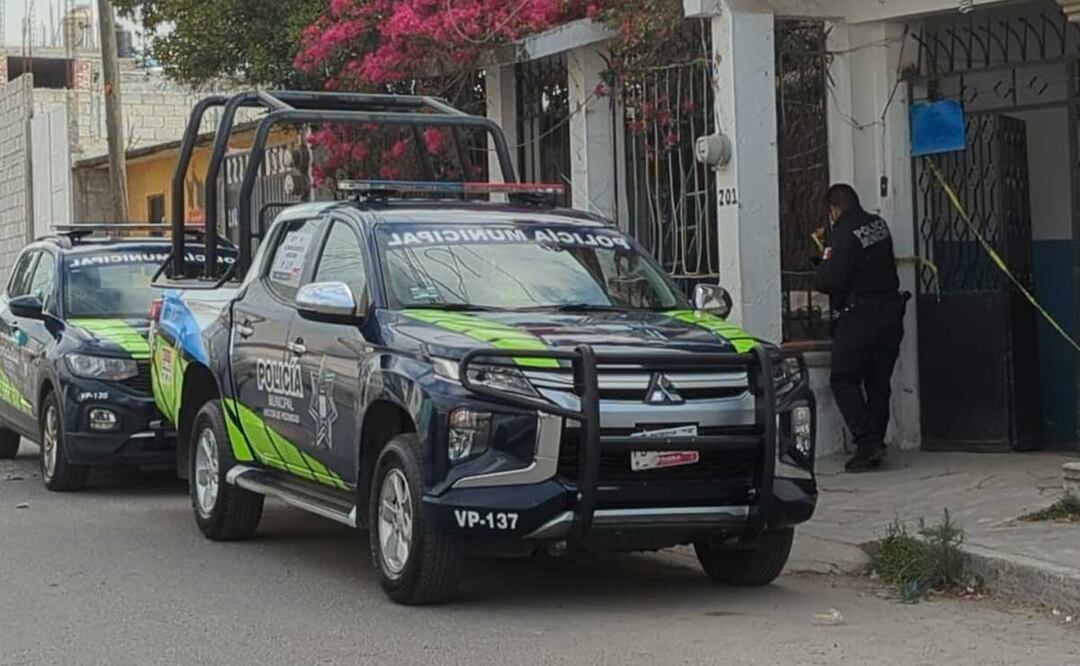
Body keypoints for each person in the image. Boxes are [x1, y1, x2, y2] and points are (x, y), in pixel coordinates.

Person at [813, 184, 906, 473]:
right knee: (878, 381)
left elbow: (831, 281)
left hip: (860, 317)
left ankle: (867, 444)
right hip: (890, 313)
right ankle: (876, 442)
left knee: (843, 379)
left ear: (833, 209)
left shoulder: (840, 233)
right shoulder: (878, 225)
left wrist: (821, 268)